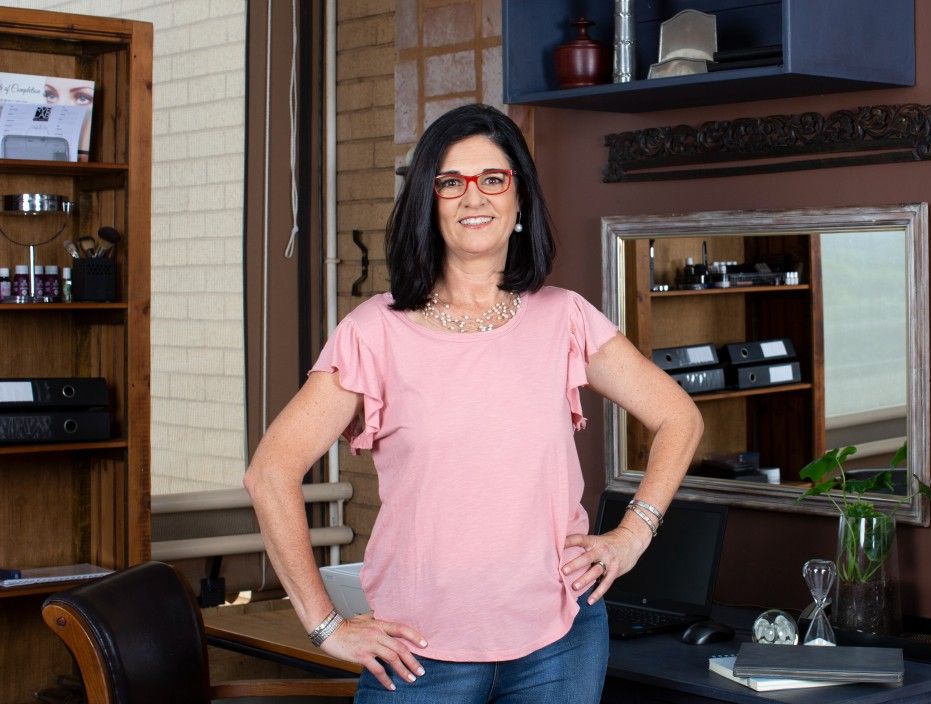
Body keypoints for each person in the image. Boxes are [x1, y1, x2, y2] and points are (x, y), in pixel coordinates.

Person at [245, 103, 702, 702]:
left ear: (519, 199)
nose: (473, 197)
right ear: (428, 203)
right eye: (451, 183)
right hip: (417, 652)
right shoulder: (373, 332)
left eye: (492, 179)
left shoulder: (565, 317)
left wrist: (634, 533)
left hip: (561, 641)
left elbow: (678, 416)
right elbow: (270, 472)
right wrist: (325, 624)